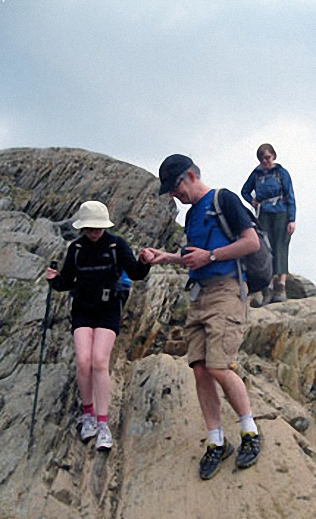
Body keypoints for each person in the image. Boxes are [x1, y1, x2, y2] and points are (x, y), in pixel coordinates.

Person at [143, 154, 261, 480]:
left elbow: (250, 242)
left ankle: (250, 431)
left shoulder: (224, 199)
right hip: (199, 295)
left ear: (192, 176)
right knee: (199, 369)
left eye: (175, 186)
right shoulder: (192, 216)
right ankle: (216, 441)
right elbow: (191, 258)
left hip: (227, 290)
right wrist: (164, 257)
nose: (173, 195)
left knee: (218, 365)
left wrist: (210, 255)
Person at [45, 200, 154, 450]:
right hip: (82, 309)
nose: (95, 232)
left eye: (98, 227)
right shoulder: (77, 248)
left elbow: (136, 273)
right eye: (90, 228)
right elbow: (66, 281)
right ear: (83, 227)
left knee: (99, 361)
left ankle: (103, 424)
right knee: (83, 361)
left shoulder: (117, 245)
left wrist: (145, 261)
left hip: (108, 309)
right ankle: (88, 415)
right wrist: (54, 280)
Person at [241, 143, 296, 304]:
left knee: (280, 245)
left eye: (267, 157)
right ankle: (268, 285)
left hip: (281, 213)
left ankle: (281, 285)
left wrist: (292, 219)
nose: (265, 161)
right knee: (266, 246)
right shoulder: (257, 174)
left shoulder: (281, 173)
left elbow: (290, 195)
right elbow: (244, 190)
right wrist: (252, 201)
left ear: (273, 156)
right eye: (262, 158)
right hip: (264, 213)